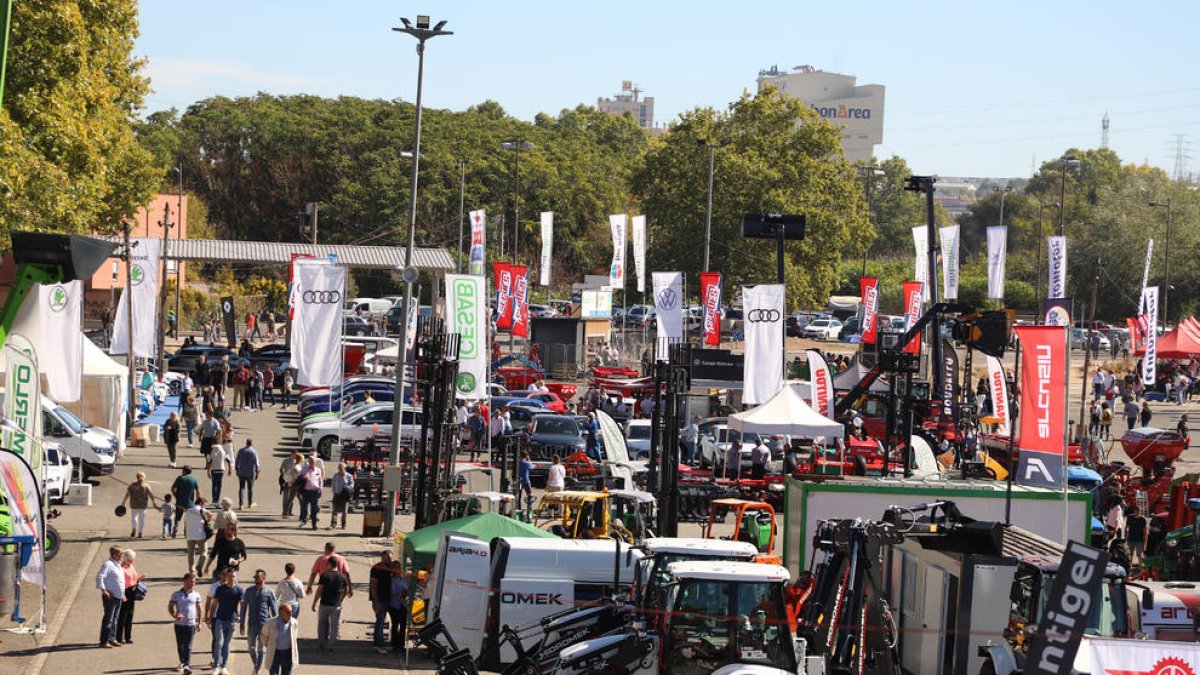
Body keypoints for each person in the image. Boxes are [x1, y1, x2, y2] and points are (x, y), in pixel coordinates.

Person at [205, 566, 244, 675]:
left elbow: (242, 605)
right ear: (226, 576)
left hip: (231, 621)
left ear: (236, 578)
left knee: (227, 644)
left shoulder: (239, 590)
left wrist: (241, 617)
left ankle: (224, 666)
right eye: (230, 576)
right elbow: (214, 604)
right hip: (220, 620)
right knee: (219, 643)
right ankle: (216, 666)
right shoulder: (220, 589)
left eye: (234, 576)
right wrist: (209, 618)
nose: (232, 578)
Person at [240, 568, 278, 675]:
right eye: (255, 577)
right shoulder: (249, 591)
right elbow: (243, 609)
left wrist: (276, 625)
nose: (255, 579)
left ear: (263, 578)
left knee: (261, 648)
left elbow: (274, 610)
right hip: (251, 624)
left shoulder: (269, 592)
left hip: (264, 624)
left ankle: (256, 669)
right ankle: (257, 664)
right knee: (251, 646)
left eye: (258, 577)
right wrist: (242, 624)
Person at [370, 551, 406, 654]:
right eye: (387, 558)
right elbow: (373, 585)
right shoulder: (376, 569)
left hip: (386, 600)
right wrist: (376, 601)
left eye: (390, 558)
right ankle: (380, 645)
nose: (389, 560)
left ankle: (377, 643)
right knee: (380, 622)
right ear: (382, 558)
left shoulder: (388, 569)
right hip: (380, 600)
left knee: (380, 622)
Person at [312, 557, 350, 652]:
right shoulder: (342, 576)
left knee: (322, 625)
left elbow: (320, 590)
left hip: (324, 604)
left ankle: (321, 644)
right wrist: (341, 599)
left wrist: (314, 602)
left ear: (330, 564)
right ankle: (331, 646)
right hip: (336, 605)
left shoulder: (324, 576)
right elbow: (347, 590)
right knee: (334, 626)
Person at [169, 572, 204, 675]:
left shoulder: (196, 595)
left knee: (188, 646)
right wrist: (175, 615)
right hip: (179, 624)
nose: (192, 584)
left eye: (194, 582)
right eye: (191, 581)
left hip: (191, 624)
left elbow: (200, 609)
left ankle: (186, 666)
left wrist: (200, 622)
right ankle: (183, 662)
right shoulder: (176, 594)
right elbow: (170, 607)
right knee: (180, 645)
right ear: (185, 581)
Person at [96, 545, 125, 648]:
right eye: (120, 553)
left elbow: (120, 581)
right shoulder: (108, 564)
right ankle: (104, 641)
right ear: (114, 554)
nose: (122, 555)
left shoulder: (118, 565)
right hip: (110, 596)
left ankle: (112, 639)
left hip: (118, 596)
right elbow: (100, 576)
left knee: (115, 619)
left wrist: (122, 594)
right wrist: (104, 590)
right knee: (109, 619)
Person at [262, 601, 299, 675]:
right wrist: (268, 645)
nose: (290, 614)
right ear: (280, 612)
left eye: (291, 612)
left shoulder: (294, 623)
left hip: (288, 654)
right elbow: (264, 635)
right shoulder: (271, 623)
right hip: (275, 653)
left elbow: (294, 638)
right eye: (287, 612)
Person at [117, 548, 144, 645]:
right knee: (122, 616)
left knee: (130, 615)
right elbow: (120, 583)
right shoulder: (121, 568)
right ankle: (120, 637)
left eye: (133, 560)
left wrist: (140, 578)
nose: (132, 562)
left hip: (132, 591)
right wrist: (122, 594)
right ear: (125, 559)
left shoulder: (131, 566)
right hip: (124, 591)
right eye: (130, 560)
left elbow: (135, 578)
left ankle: (128, 636)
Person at [122, 471, 157, 538]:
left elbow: (127, 494)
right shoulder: (146, 486)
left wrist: (123, 503)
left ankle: (134, 528)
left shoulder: (132, 485)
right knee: (141, 518)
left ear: (136, 477)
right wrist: (154, 502)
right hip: (143, 505)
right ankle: (140, 532)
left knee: (134, 517)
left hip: (134, 504)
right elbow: (151, 495)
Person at [184, 496, 213, 575]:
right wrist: (208, 521)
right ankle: (199, 565)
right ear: (201, 503)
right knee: (204, 552)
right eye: (205, 505)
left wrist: (185, 532)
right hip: (200, 534)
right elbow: (210, 514)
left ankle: (191, 570)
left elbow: (185, 522)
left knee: (191, 553)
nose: (205, 507)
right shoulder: (201, 510)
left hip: (190, 534)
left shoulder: (189, 510)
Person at [171, 466, 201, 536]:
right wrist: (197, 500)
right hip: (190, 503)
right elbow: (197, 491)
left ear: (184, 471)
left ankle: (176, 528)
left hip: (180, 502)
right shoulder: (194, 479)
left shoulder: (180, 478)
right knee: (188, 518)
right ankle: (186, 532)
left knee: (178, 516)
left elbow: (173, 488)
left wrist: (176, 496)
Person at [297, 455, 324, 529]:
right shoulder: (304, 469)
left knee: (314, 508)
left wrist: (321, 489)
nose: (311, 462)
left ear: (315, 462)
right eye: (310, 461)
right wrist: (303, 477)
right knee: (304, 507)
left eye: (313, 461)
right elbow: (298, 478)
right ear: (308, 462)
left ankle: (314, 524)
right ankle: (304, 521)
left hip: (314, 491)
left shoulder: (318, 470)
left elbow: (320, 480)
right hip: (305, 491)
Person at [236, 438, 261, 510]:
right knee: (250, 489)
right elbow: (256, 463)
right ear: (251, 443)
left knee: (241, 488)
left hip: (242, 472)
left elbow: (237, 461)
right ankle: (250, 503)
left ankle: (241, 504)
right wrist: (257, 472)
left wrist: (237, 469)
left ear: (246, 443)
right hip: (250, 473)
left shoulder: (241, 451)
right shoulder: (254, 451)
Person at [207, 432, 233, 503]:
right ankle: (217, 500)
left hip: (214, 470)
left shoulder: (211, 450)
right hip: (221, 470)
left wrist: (208, 472)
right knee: (219, 485)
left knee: (214, 485)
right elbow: (228, 460)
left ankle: (214, 500)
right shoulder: (223, 450)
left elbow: (209, 462)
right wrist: (230, 469)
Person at [329, 463, 354, 530]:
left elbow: (352, 484)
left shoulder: (349, 476)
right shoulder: (335, 475)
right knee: (334, 510)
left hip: (345, 496)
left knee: (344, 511)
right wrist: (334, 491)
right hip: (337, 495)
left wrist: (347, 488)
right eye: (339, 468)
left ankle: (343, 524)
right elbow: (333, 484)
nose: (339, 469)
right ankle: (333, 524)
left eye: (341, 468)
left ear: (344, 468)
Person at [279, 452, 302, 517]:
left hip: (293, 483)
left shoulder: (297, 463)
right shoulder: (287, 461)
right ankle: (285, 511)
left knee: (291, 498)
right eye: (293, 454)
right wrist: (284, 476)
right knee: (287, 497)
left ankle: (288, 511)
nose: (294, 456)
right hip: (289, 481)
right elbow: (282, 469)